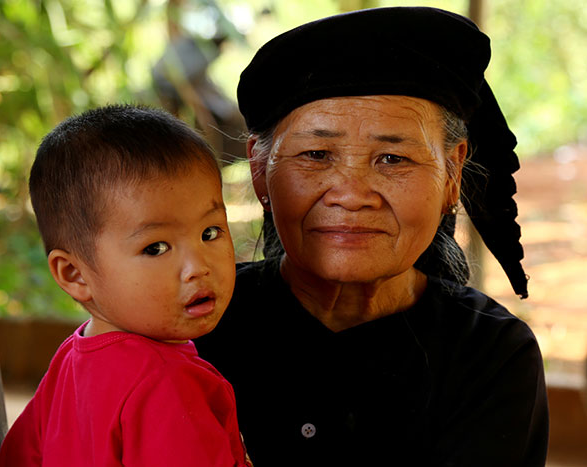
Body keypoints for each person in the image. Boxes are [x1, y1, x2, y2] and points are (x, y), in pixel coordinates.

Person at [195, 7, 549, 466]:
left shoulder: (490, 357)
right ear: (261, 172)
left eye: (392, 160)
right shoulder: (192, 325)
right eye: (317, 154)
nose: (352, 195)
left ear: (451, 175)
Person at [0, 104, 251, 466]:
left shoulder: (72, 360)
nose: (197, 268)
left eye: (210, 233)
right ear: (74, 275)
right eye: (156, 248)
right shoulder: (166, 385)